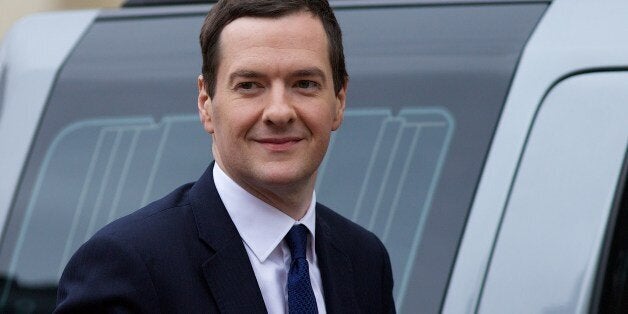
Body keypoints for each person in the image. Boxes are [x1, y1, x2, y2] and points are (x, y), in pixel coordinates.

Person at [55, 0, 395, 313]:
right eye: (249, 85)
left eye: (304, 83)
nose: (279, 112)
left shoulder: (364, 260)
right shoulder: (128, 264)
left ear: (339, 101)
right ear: (206, 104)